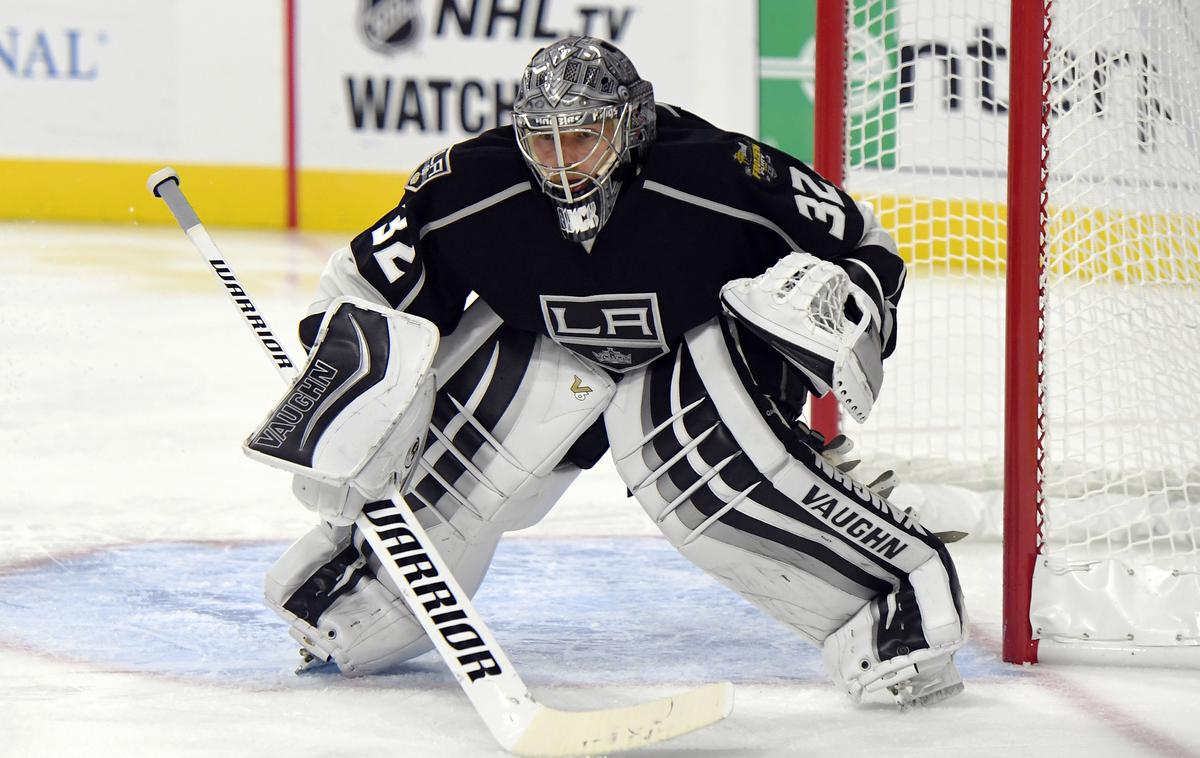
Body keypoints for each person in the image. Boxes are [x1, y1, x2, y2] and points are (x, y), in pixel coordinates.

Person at [248, 36, 967, 709]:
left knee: (702, 475)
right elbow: (363, 291)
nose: (559, 160)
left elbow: (863, 243)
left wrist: (839, 302)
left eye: (582, 136)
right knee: (457, 471)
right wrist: (342, 407)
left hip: (693, 349)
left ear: (630, 127)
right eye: (542, 137)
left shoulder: (717, 173)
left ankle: (893, 597)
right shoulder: (471, 187)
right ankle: (361, 590)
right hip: (544, 347)